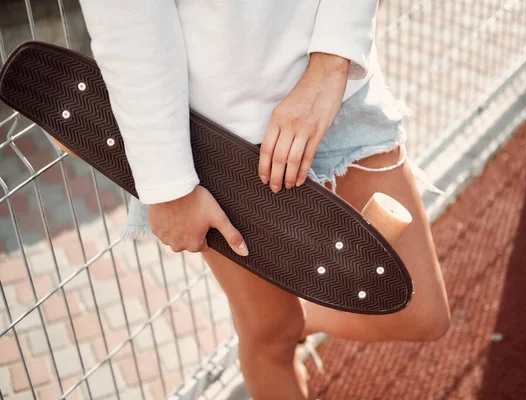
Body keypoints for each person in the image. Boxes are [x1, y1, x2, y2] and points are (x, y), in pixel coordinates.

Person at [78, 1, 450, 398]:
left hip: (338, 92)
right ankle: (285, 326)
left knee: (422, 315)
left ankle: (302, 319)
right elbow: (128, 21)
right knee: (271, 338)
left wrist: (332, 63)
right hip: (222, 140)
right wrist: (170, 187)